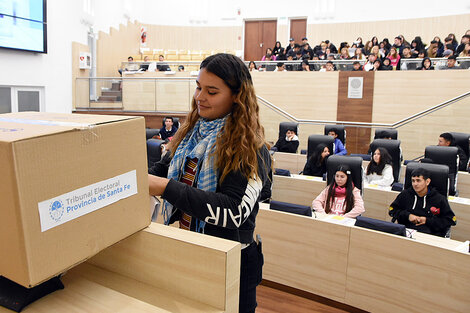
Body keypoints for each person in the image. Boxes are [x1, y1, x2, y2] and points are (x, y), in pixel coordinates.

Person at [148, 53, 271, 313]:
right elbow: (159, 171)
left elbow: (233, 211)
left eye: (212, 91)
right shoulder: (188, 134)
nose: (199, 97)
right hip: (187, 251)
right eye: (198, 87)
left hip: (232, 264)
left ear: (237, 96)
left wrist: (165, 188)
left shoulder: (252, 149)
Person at [389, 168, 456, 237]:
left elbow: (450, 220)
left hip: (429, 235)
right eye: (413, 181)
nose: (415, 184)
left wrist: (427, 220)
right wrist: (408, 216)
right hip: (405, 232)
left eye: (418, 181)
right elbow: (392, 210)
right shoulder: (405, 194)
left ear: (427, 182)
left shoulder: (439, 199)